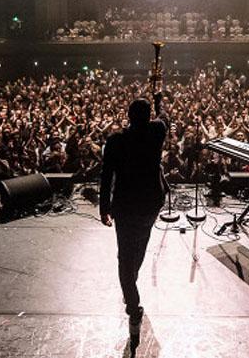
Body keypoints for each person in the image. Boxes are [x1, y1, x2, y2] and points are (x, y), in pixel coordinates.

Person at [99, 92, 168, 344]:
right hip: (149, 205)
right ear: (149, 118)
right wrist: (158, 100)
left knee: (125, 255)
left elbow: (106, 176)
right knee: (138, 248)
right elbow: (163, 117)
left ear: (127, 117)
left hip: (125, 207)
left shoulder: (115, 140)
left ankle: (132, 304)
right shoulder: (157, 131)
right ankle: (131, 292)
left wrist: (103, 208)